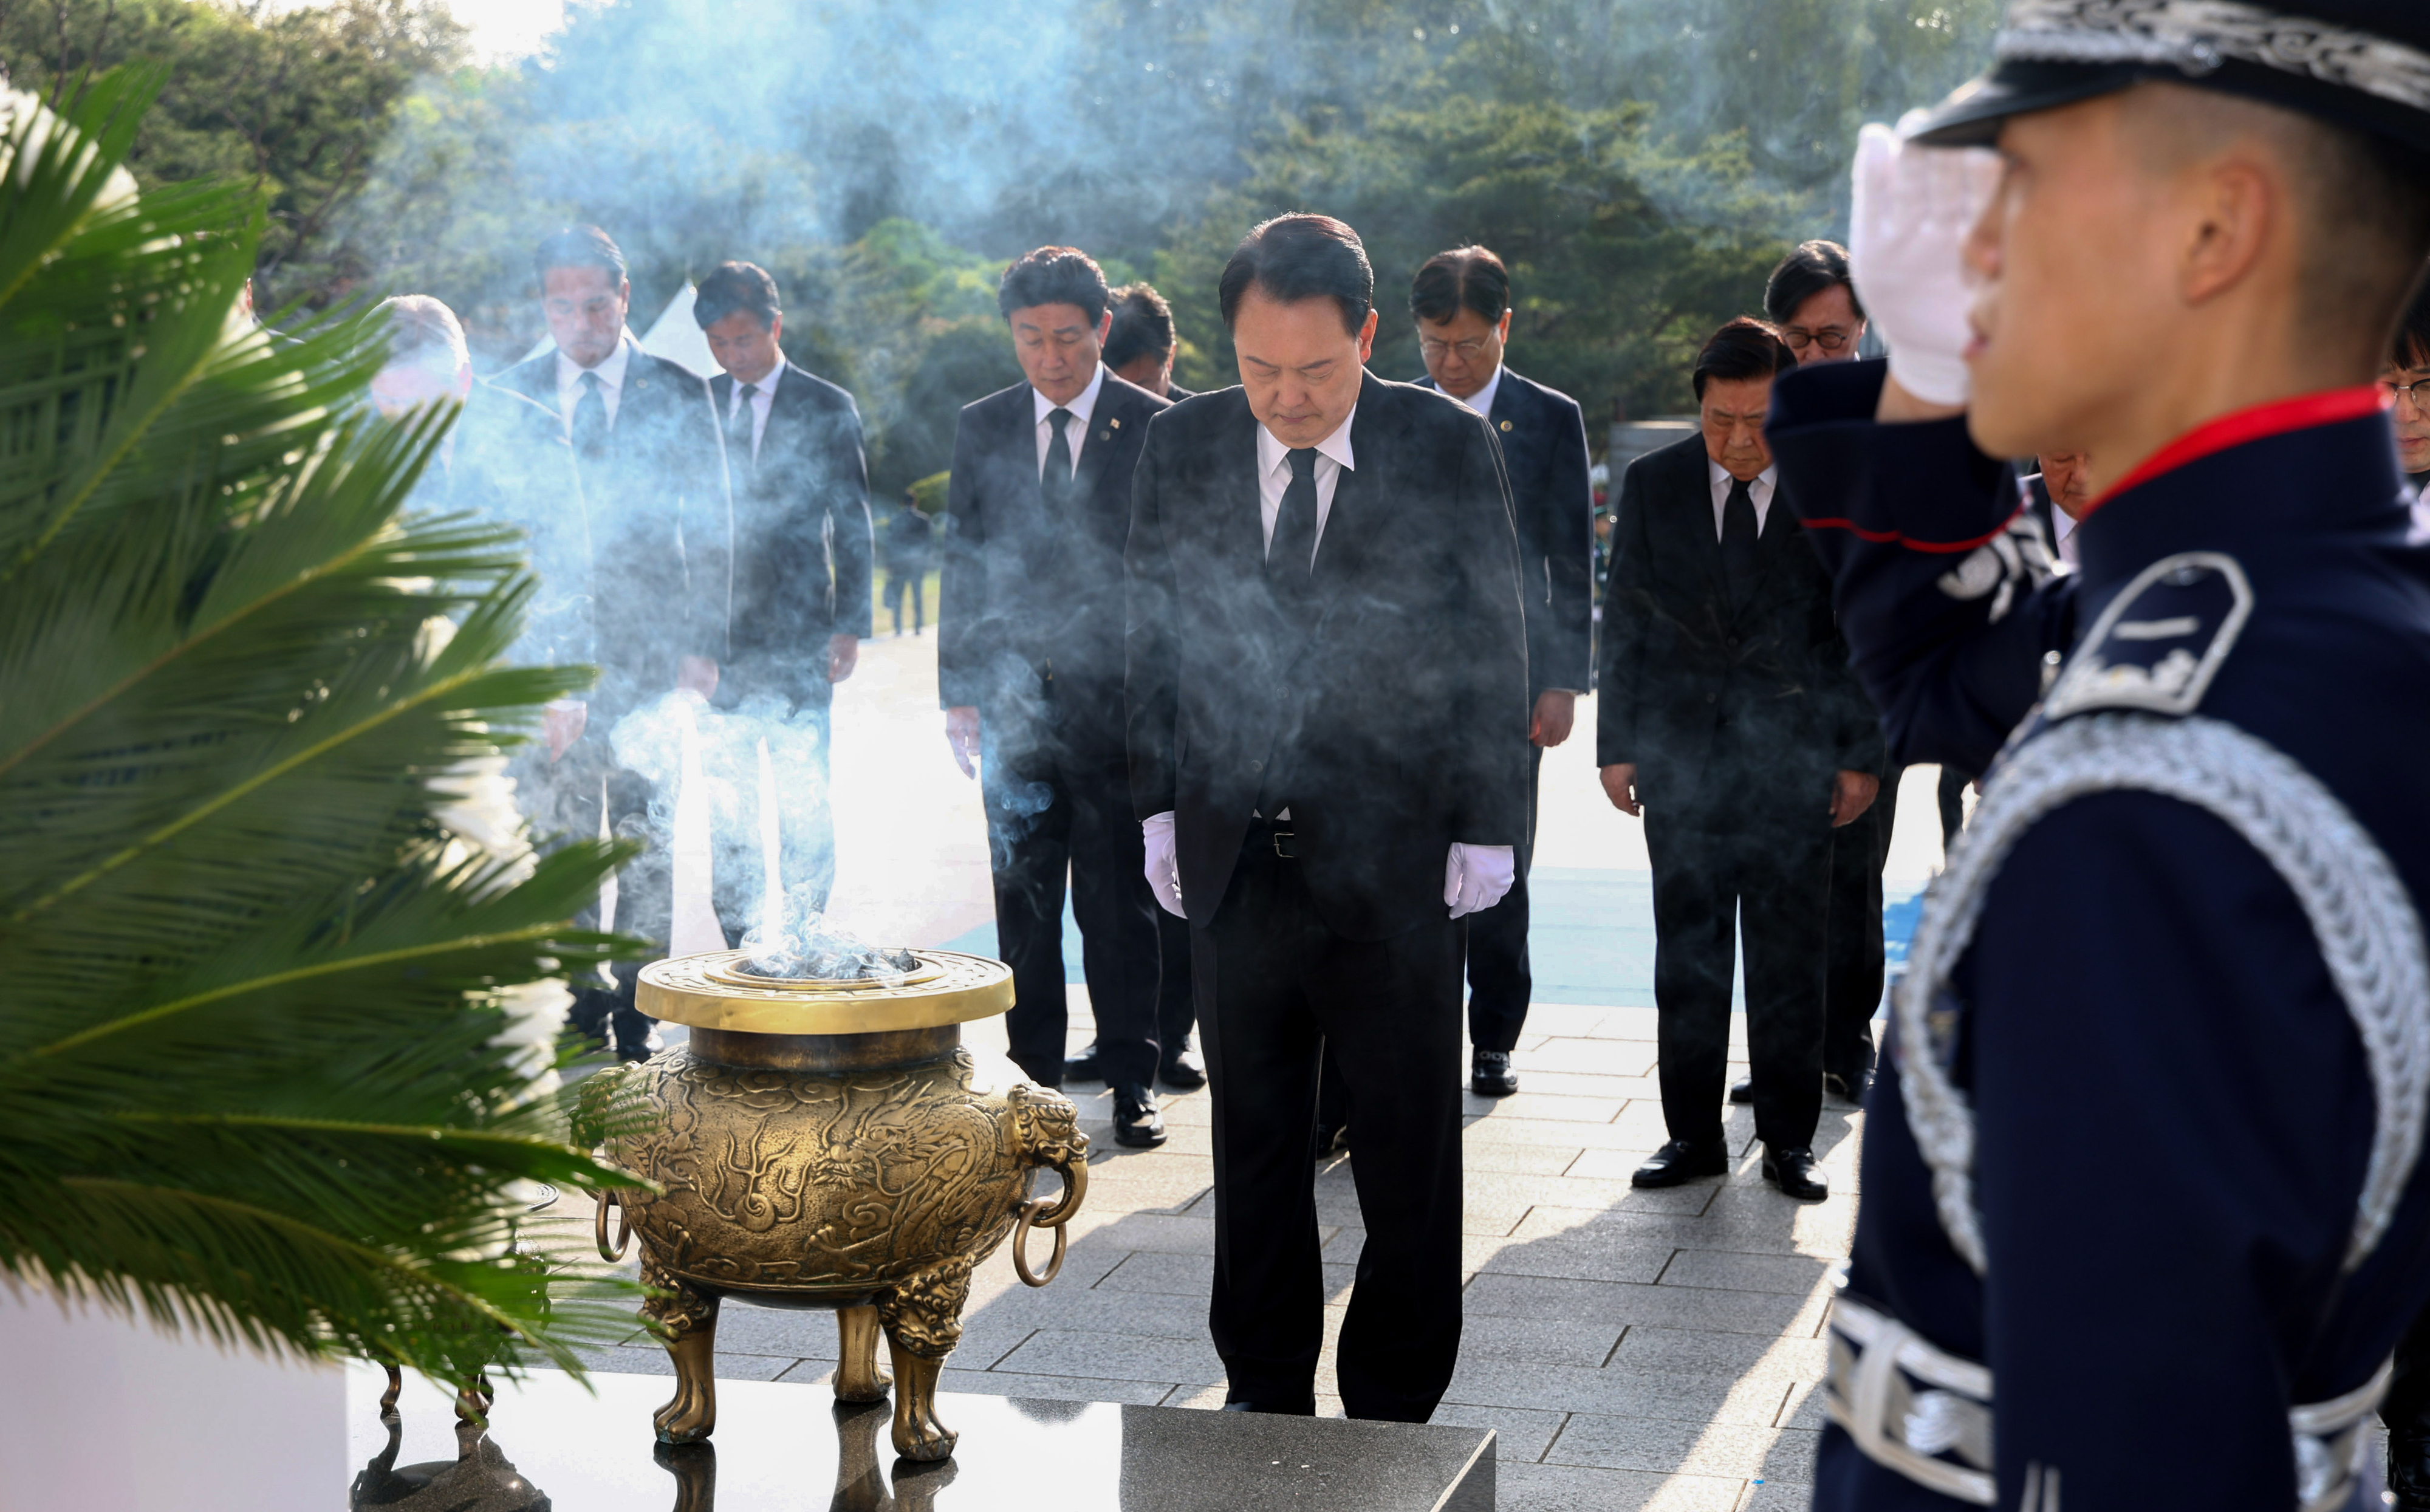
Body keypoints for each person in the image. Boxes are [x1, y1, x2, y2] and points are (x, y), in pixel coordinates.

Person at [1763, 7, 2430, 1505]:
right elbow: (1941, 680)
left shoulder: (2146, 805)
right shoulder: (2331, 603)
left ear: (2212, 227)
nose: (1969, 249)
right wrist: (1932, 368)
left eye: (2021, 185)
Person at [1125, 213, 1529, 1421]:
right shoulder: (1181, 446)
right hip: (1233, 859)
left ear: (1365, 335)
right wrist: (1155, 802)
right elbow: (1149, 639)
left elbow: (1487, 636)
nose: (1286, 396)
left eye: (1314, 368)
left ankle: (1396, 1396)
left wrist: (1486, 819)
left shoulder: (1442, 445)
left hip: (1397, 858)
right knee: (1252, 1145)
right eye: (1257, 368)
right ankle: (1260, 1385)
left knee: (1408, 1150)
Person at [1598, 317, 1883, 1203]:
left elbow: (1861, 631)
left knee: (1790, 953)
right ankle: (1691, 1134)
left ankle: (1789, 1140)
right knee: (1688, 952)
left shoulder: (1835, 486)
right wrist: (1619, 746)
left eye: (1758, 420)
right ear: (1700, 409)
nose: (1739, 440)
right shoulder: (1655, 485)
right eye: (1721, 420)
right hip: (1682, 758)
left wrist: (1859, 753)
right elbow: (1630, 618)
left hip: (1794, 761)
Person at [938, 247, 1173, 1144]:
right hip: (1012, 707)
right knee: (1025, 907)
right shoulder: (984, 425)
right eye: (1031, 339)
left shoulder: (1150, 424)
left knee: (1119, 906)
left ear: (1102, 330)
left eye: (1068, 338)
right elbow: (962, 557)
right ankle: (1029, 1086)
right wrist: (958, 693)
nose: (1051, 358)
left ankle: (1132, 1079)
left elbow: (1168, 575)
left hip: (1117, 708)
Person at [496, 224, 733, 1062]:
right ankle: (574, 1003)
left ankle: (639, 1003)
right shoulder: (511, 394)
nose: (582, 320)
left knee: (643, 833)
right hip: (550, 657)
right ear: (544, 307)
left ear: (625, 298)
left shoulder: (679, 388)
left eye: (597, 302)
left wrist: (702, 643)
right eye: (562, 305)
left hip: (651, 649)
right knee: (560, 835)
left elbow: (710, 529)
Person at [368, 294, 591, 1094]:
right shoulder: (351, 438)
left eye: (414, 401)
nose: (399, 418)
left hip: (517, 692)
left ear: (461, 379)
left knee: (519, 887)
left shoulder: (530, 426)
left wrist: (565, 681)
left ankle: (524, 1079)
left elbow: (567, 565)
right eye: (385, 401)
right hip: (400, 703)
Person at [1409, 245, 1593, 1097]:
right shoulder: (1394, 412)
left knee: (1500, 857)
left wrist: (1562, 680)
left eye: (1471, 344)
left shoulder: (1547, 417)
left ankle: (1494, 1034)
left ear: (1504, 328)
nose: (1452, 363)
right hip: (1405, 683)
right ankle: (1411, 1026)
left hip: (1511, 682)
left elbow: (1569, 557)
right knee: (1409, 858)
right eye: (1436, 344)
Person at [690, 260, 872, 941]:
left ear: (775, 325)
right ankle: (740, 944)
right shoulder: (699, 402)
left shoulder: (827, 405)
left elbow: (851, 521)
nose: (733, 356)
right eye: (718, 344)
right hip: (721, 646)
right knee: (728, 806)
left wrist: (850, 623)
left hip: (801, 637)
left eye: (743, 340)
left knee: (802, 798)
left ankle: (800, 936)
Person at [1104, 281, 1192, 400]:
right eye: (1117, 389)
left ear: (1170, 357)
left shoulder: (1200, 417)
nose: (1128, 403)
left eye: (1146, 390)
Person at [881, 490, 934, 635]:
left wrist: (889, 563)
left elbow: (889, 543)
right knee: (917, 596)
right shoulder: (923, 519)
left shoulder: (895, 519)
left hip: (899, 564)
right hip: (917, 564)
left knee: (898, 597)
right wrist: (927, 561)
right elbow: (929, 543)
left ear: (902, 503)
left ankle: (898, 628)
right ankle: (918, 627)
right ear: (915, 502)